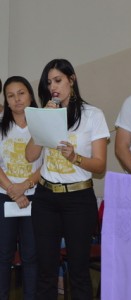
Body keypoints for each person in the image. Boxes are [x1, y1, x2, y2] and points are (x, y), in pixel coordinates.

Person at [25, 58, 110, 299]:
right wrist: (43, 122)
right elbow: (30, 156)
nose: (54, 87)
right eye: (49, 82)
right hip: (45, 198)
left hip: (78, 199)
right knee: (46, 269)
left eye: (59, 80)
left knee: (79, 271)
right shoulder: (45, 113)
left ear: (71, 80)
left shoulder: (93, 115)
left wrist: (75, 157)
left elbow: (100, 165)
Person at [0, 76, 42, 300]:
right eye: (10, 95)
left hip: (35, 197)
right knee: (3, 255)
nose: (17, 99)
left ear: (30, 95)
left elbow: (47, 165)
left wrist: (25, 186)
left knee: (31, 255)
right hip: (4, 197)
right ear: (6, 101)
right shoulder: (0, 125)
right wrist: (13, 191)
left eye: (21, 93)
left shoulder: (43, 125)